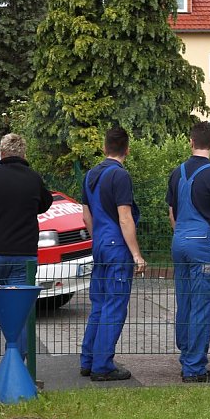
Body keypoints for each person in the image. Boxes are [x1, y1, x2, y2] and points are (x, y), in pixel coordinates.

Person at [0, 133, 53, 380]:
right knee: (20, 313)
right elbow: (45, 204)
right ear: (23, 153)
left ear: (1, 153)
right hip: (23, 257)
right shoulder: (34, 179)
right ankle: (16, 368)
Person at [167, 122, 210, 383]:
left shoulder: (177, 172)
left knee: (185, 300)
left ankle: (187, 356)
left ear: (191, 142)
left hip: (179, 240)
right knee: (203, 304)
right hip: (202, 242)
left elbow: (172, 213)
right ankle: (194, 368)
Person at [79, 127, 146, 381]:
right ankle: (103, 366)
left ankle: (88, 360)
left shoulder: (90, 175)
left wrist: (98, 239)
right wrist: (136, 254)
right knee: (115, 306)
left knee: (99, 303)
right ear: (127, 149)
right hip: (117, 247)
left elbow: (86, 216)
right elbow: (125, 217)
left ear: (104, 147)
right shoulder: (120, 176)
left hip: (99, 244)